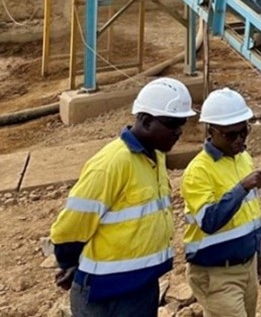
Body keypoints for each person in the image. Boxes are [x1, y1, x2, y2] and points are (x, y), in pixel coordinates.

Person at [50, 78, 197, 317]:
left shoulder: (155, 158)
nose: (179, 132)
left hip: (141, 285)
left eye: (182, 124)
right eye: (172, 124)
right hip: (105, 295)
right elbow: (71, 227)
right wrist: (68, 263)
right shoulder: (111, 164)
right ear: (146, 121)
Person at [183, 88, 261, 317]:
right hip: (216, 273)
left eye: (244, 132)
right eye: (231, 135)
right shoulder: (198, 171)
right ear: (211, 131)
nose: (239, 140)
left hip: (246, 265)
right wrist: (242, 187)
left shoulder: (243, 159)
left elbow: (251, 216)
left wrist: (257, 252)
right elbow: (210, 221)